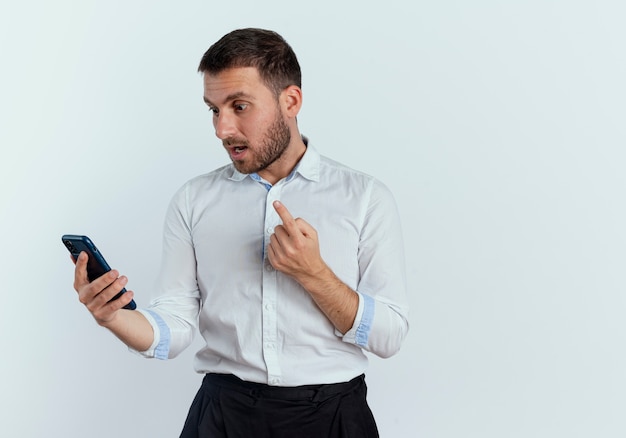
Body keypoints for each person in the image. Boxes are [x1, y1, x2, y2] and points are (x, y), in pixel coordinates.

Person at [73, 28, 409, 437]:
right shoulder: (193, 200)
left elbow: (389, 336)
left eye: (240, 106)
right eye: (214, 110)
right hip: (221, 417)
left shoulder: (365, 198)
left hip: (334, 418)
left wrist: (313, 274)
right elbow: (173, 330)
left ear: (291, 101)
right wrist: (113, 317)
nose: (222, 129)